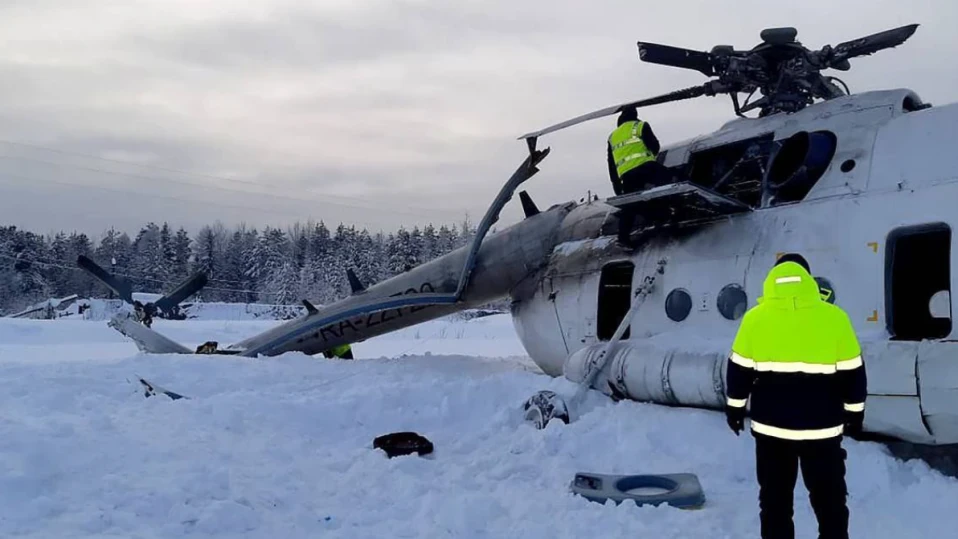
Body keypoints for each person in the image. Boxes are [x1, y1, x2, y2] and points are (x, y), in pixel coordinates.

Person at [724, 253, 866, 539]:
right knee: (830, 502)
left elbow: (738, 371)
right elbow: (853, 371)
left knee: (775, 502)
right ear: (808, 279)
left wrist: (735, 409)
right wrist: (855, 413)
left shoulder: (754, 319)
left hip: (771, 431)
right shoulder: (835, 317)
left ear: (773, 279)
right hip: (823, 431)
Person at [606, 108, 673, 244]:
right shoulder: (640, 126)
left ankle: (623, 239)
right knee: (673, 179)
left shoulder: (612, 137)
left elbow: (612, 166)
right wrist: (650, 157)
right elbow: (654, 146)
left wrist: (618, 188)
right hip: (646, 167)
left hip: (627, 175)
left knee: (630, 205)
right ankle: (669, 211)